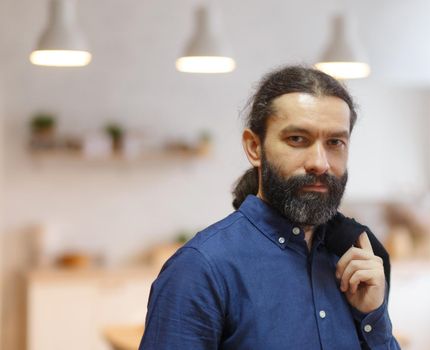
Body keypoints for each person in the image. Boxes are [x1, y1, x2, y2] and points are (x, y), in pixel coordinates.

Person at [139, 65, 401, 350]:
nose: (320, 162)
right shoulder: (200, 269)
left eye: (335, 142)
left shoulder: (357, 259)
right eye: (297, 139)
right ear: (254, 147)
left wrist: (372, 316)